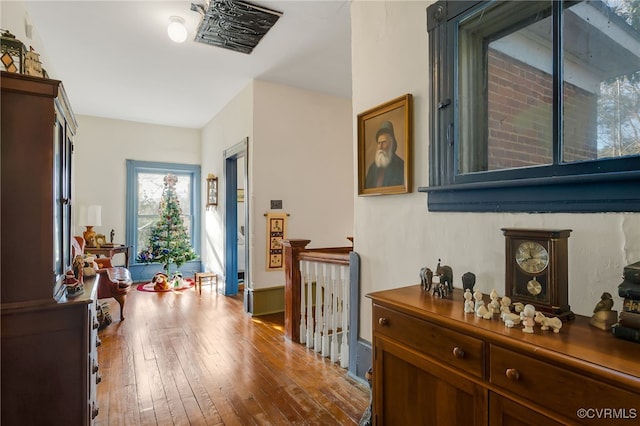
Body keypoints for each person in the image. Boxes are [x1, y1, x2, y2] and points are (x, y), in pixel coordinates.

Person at [365, 120, 404, 188]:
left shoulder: (400, 165)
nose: (380, 147)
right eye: (379, 143)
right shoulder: (372, 168)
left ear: (391, 144)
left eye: (383, 142)